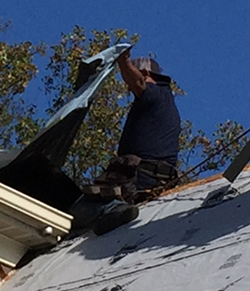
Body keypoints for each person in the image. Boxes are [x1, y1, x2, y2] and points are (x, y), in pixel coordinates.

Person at [75, 53, 181, 233]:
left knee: (78, 209)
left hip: (140, 177)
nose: (127, 85)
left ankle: (113, 209)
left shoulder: (154, 94)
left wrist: (123, 61)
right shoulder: (163, 101)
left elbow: (138, 83)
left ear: (146, 73)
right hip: (154, 177)